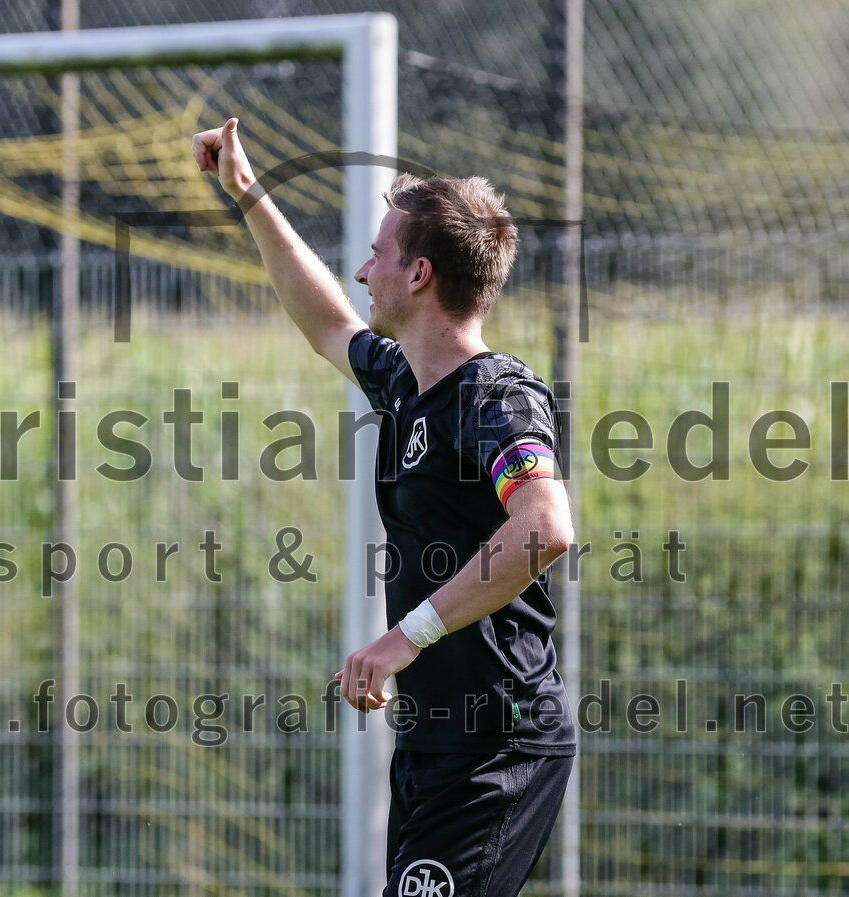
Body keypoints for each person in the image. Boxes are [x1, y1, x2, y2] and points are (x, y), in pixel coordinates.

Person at [193, 117, 576, 897]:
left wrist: (406, 637)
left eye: (378, 255)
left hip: (497, 745)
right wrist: (247, 192)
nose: (363, 271)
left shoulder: (494, 397)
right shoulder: (404, 380)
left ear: (420, 274)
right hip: (436, 744)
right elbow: (326, 322)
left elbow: (544, 526)